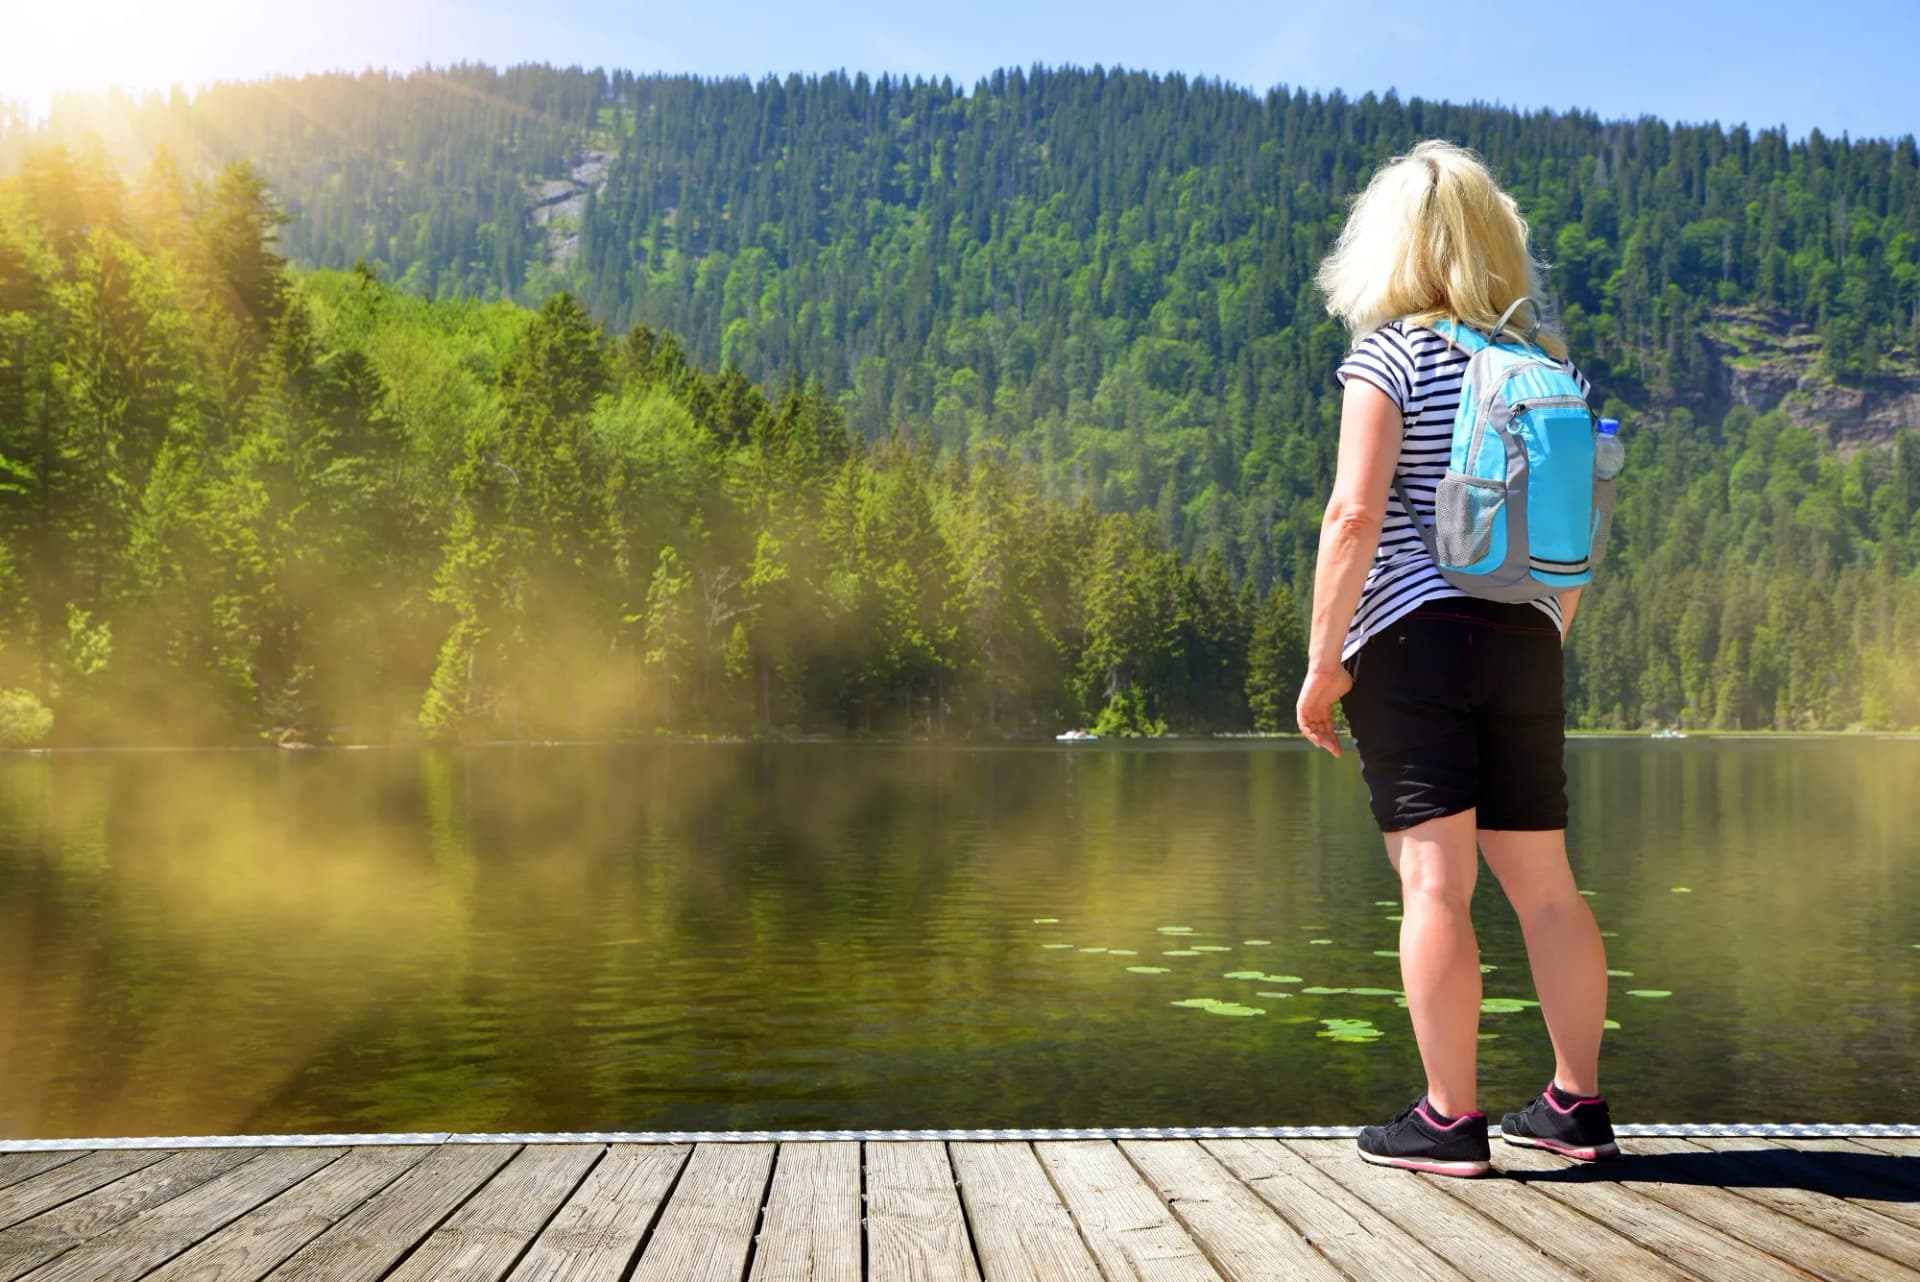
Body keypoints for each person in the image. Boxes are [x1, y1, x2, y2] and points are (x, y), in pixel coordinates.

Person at [1294, 140, 1618, 1177]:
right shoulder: (1545, 371)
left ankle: (1449, 1119)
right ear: (1495, 242)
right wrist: (1545, 631)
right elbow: (1577, 525)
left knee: (1434, 884)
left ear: (1386, 245)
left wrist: (1322, 662)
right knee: (1549, 887)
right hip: (1525, 635)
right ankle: (1575, 1106)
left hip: (1413, 640)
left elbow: (1353, 516)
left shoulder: (1388, 358)